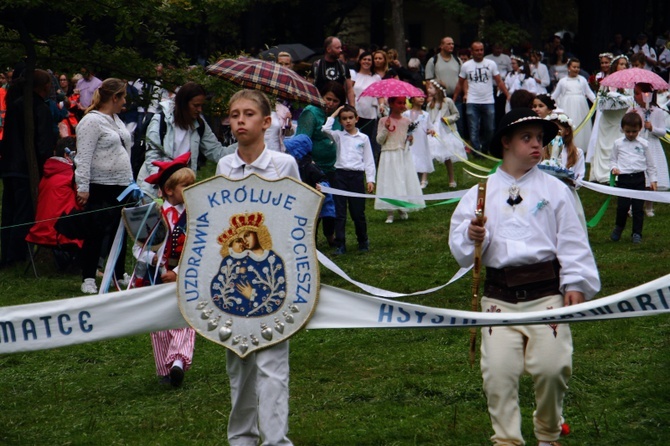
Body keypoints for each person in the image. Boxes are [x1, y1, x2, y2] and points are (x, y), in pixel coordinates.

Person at [449, 107, 600, 446]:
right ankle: (507, 440)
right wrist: (474, 236)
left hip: (547, 295)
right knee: (498, 375)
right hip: (498, 298)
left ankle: (548, 433)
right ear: (505, 142)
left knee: (553, 368)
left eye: (541, 140)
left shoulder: (555, 189)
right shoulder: (481, 192)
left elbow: (573, 240)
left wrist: (575, 282)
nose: (537, 146)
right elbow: (461, 251)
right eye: (527, 138)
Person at [215, 89, 299, 446]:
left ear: (267, 123)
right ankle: (242, 439)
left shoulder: (284, 165)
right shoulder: (224, 166)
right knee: (240, 364)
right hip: (234, 277)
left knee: (272, 364)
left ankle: (276, 440)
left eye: (248, 114)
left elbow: (297, 222)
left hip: (272, 276)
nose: (240, 121)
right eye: (234, 115)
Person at [138, 152, 196, 387]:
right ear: (169, 190)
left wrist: (178, 272)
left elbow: (200, 249)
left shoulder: (196, 216)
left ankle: (178, 362)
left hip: (185, 277)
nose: (191, 190)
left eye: (194, 185)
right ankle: (165, 371)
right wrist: (154, 261)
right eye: (186, 186)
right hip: (157, 278)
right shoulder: (154, 215)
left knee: (183, 317)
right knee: (159, 321)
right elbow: (138, 248)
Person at [74, 78, 133, 294]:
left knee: (121, 230)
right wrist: (83, 186)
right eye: (123, 96)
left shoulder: (116, 120)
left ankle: (118, 273)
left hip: (122, 184)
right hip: (100, 184)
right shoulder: (91, 121)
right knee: (96, 231)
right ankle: (88, 276)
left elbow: (126, 150)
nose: (125, 101)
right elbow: (84, 155)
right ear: (114, 97)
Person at [0, 69, 56, 268]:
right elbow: (43, 143)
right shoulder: (38, 107)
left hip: (9, 165)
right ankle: (15, 255)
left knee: (9, 212)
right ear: (44, 86)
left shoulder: (17, 104)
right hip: (24, 168)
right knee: (23, 213)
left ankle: (6, 252)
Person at [137, 82, 233, 195]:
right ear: (183, 104)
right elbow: (152, 158)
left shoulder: (200, 125)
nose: (200, 110)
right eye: (196, 105)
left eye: (201, 105)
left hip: (182, 191)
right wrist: (163, 183)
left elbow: (218, 153)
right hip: (154, 191)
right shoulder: (160, 121)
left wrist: (246, 144)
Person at [296, 81, 346, 246]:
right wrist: (310, 161)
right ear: (320, 96)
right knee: (314, 204)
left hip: (333, 167)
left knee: (332, 204)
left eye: (335, 101)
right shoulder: (310, 113)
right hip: (312, 167)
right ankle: (310, 240)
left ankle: (330, 235)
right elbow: (302, 139)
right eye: (328, 99)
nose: (330, 104)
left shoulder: (339, 116)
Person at [322, 104, 376, 254]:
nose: (348, 121)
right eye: (344, 119)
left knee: (357, 212)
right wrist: (334, 114)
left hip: (356, 177)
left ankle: (363, 241)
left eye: (350, 118)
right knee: (340, 212)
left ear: (356, 119)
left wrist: (370, 179)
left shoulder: (363, 138)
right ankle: (340, 244)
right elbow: (325, 129)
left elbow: (369, 160)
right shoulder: (338, 136)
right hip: (340, 176)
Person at [453, 41, 511, 156]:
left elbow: (499, 80)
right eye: (477, 50)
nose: (479, 52)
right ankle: (476, 151)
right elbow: (460, 83)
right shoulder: (466, 66)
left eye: (481, 50)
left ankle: (485, 148)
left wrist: (507, 94)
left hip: (488, 100)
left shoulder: (491, 64)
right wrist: (454, 99)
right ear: (472, 51)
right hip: (472, 100)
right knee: (473, 128)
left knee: (490, 128)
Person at [374, 96, 425, 223]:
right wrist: (386, 128)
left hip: (402, 154)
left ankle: (402, 207)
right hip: (389, 154)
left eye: (403, 103)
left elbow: (409, 140)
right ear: (391, 103)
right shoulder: (383, 120)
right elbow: (379, 140)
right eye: (399, 103)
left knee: (402, 179)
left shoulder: (407, 121)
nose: (402, 105)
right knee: (390, 181)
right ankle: (390, 212)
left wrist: (410, 140)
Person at [610, 112, 657, 244]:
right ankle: (619, 227)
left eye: (634, 131)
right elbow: (613, 160)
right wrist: (614, 168)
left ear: (639, 129)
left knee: (638, 208)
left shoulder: (644, 144)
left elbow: (650, 164)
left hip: (638, 179)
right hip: (624, 179)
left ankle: (637, 233)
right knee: (622, 207)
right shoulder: (618, 143)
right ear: (623, 129)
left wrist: (653, 180)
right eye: (628, 131)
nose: (630, 134)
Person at [587, 54, 632, 183]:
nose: (623, 67)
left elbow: (631, 100)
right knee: (605, 144)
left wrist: (621, 99)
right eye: (621, 64)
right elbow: (600, 99)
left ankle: (618, 172)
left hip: (620, 118)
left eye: (625, 64)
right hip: (607, 118)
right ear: (615, 66)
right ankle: (602, 172)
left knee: (618, 144)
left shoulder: (629, 83)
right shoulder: (607, 82)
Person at [627, 82, 670, 216]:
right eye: (634, 93)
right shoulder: (633, 110)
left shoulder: (657, 112)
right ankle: (633, 206)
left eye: (638, 93)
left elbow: (663, 132)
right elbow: (622, 127)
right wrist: (631, 118)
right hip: (637, 145)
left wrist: (652, 128)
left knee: (651, 177)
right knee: (635, 177)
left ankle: (649, 206)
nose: (636, 96)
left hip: (652, 145)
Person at [551, 58, 596, 154]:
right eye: (574, 67)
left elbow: (589, 93)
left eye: (578, 67)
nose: (576, 69)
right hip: (567, 105)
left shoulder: (582, 80)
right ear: (569, 68)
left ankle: (580, 148)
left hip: (581, 106)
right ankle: (568, 145)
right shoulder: (563, 81)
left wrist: (597, 102)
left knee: (581, 124)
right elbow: (555, 95)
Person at [426, 80, 464, 187]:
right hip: (434, 131)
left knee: (447, 156)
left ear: (438, 89)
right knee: (428, 154)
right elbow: (428, 118)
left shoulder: (448, 102)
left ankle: (451, 179)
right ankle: (424, 179)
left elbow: (456, 114)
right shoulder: (430, 104)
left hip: (445, 132)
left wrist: (447, 119)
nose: (428, 90)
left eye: (431, 88)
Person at [352, 51, 382, 161]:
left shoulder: (376, 78)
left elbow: (380, 95)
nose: (367, 62)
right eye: (364, 59)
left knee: (367, 139)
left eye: (369, 60)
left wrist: (382, 104)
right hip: (355, 111)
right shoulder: (353, 75)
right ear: (360, 61)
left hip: (370, 113)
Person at [312, 36, 355, 105]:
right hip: (320, 107)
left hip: (338, 108)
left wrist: (352, 107)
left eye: (340, 48)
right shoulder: (316, 65)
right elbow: (310, 88)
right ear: (328, 49)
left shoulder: (343, 66)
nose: (340, 50)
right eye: (337, 48)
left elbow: (349, 89)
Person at [403, 95, 434, 188]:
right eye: (418, 97)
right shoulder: (407, 114)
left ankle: (424, 179)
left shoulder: (425, 114)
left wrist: (430, 131)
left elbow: (429, 126)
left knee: (423, 155)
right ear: (412, 99)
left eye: (423, 97)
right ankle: (413, 178)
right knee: (412, 156)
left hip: (422, 140)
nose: (421, 98)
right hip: (412, 139)